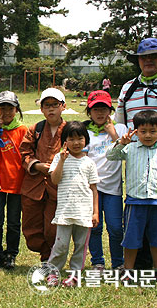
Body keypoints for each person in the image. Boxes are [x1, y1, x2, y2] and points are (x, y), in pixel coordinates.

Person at [115, 37, 157, 283]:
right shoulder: (127, 88)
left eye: (154, 56)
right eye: (144, 57)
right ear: (138, 61)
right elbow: (120, 126)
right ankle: (140, 267)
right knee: (138, 217)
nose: (149, 61)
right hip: (137, 164)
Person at [107, 110, 157, 284]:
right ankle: (128, 270)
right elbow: (110, 156)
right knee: (131, 238)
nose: (147, 135)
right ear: (135, 131)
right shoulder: (130, 148)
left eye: (152, 131)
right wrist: (121, 143)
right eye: (142, 131)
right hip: (135, 202)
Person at [46, 121, 99, 287]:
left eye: (80, 138)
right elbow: (54, 180)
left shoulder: (89, 162)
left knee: (80, 246)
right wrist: (61, 161)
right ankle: (53, 273)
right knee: (61, 245)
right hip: (65, 211)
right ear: (65, 142)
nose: (76, 143)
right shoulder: (59, 158)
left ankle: (75, 275)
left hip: (84, 213)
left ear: (86, 140)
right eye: (71, 139)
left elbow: (94, 189)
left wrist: (95, 212)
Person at [19, 88, 67, 262]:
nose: (51, 109)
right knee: (31, 228)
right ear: (42, 109)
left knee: (53, 227)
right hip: (34, 185)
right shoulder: (36, 129)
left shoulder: (69, 130)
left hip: (58, 186)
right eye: (47, 105)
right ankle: (44, 253)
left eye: (55, 105)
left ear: (63, 107)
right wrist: (37, 166)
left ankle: (50, 258)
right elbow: (24, 152)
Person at [0, 91, 27, 270]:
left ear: (16, 110)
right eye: (2, 109)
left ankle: (11, 254)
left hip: (17, 183)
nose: (7, 112)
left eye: (10, 108)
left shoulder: (23, 130)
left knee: (14, 222)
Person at [84, 90, 127, 272]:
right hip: (92, 188)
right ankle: (97, 262)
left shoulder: (122, 129)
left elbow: (127, 155)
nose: (100, 113)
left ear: (111, 110)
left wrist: (114, 134)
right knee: (94, 227)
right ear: (89, 112)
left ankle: (118, 262)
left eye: (104, 109)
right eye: (96, 109)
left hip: (113, 189)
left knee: (116, 228)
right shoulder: (85, 132)